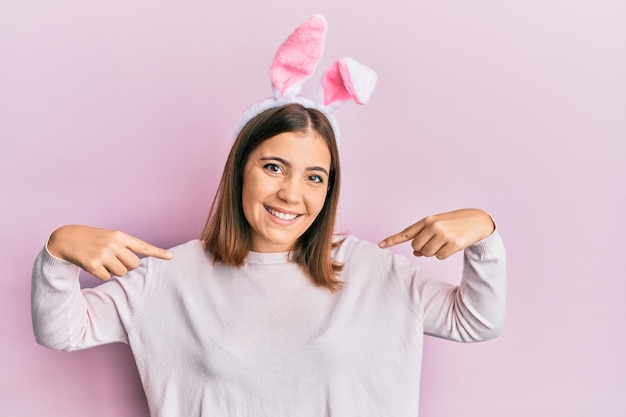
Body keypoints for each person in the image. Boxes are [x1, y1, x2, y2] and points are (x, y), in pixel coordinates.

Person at [31, 16, 506, 417]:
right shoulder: (168, 277)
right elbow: (62, 330)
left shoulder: (372, 271)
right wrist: (59, 251)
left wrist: (484, 233)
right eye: (273, 167)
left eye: (315, 177)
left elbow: (476, 321)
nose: (291, 193)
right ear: (241, 169)